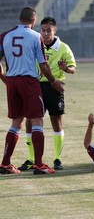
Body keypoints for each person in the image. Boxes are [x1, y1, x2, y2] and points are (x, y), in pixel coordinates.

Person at [0, 7, 64, 175]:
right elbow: (43, 64)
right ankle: (39, 164)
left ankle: (5, 163)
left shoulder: (5, 36)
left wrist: (5, 79)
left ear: (19, 18)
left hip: (12, 80)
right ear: (34, 21)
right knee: (37, 121)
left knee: (16, 122)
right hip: (28, 81)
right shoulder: (36, 37)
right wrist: (53, 81)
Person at [18, 17, 76, 171]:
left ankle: (57, 158)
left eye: (48, 30)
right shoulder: (35, 44)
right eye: (43, 30)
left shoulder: (63, 48)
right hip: (35, 86)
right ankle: (31, 159)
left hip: (54, 87)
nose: (45, 33)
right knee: (31, 121)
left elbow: (73, 69)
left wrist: (65, 68)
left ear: (54, 31)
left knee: (56, 121)